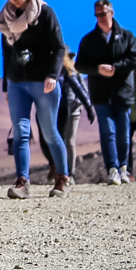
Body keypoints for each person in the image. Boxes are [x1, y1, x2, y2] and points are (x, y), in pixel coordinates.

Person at [0, 0, 71, 199]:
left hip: (44, 81)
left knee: (49, 131)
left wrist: (52, 75)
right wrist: (7, 85)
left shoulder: (45, 13)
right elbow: (6, 54)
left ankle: (62, 177)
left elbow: (59, 47)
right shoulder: (5, 19)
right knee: (20, 131)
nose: (14, 1)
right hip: (18, 81)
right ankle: (22, 181)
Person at [76, 0, 136, 186]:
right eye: (97, 15)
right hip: (100, 94)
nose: (100, 18)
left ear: (111, 12)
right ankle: (112, 169)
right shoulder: (89, 40)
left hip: (123, 92)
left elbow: (135, 59)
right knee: (107, 132)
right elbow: (80, 64)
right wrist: (98, 69)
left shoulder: (128, 37)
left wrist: (116, 68)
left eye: (103, 14)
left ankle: (123, 168)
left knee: (124, 133)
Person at [40, 52, 94, 182]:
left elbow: (80, 88)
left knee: (68, 141)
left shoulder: (72, 70)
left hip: (73, 108)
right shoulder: (51, 70)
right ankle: (58, 168)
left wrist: (88, 106)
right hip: (58, 109)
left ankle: (69, 173)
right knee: (55, 139)